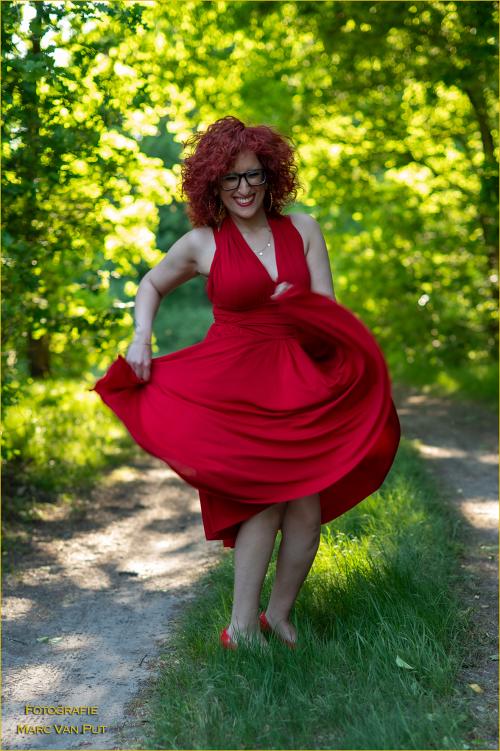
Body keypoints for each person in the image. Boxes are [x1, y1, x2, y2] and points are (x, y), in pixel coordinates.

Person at [91, 115, 401, 650]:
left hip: (297, 382)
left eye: (253, 174)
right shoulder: (202, 243)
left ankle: (276, 618)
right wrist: (142, 337)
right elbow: (151, 284)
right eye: (230, 178)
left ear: (270, 176)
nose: (243, 188)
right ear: (213, 185)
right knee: (263, 500)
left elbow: (328, 308)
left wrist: (300, 307)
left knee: (306, 511)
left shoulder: (303, 229)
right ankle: (240, 627)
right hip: (235, 386)